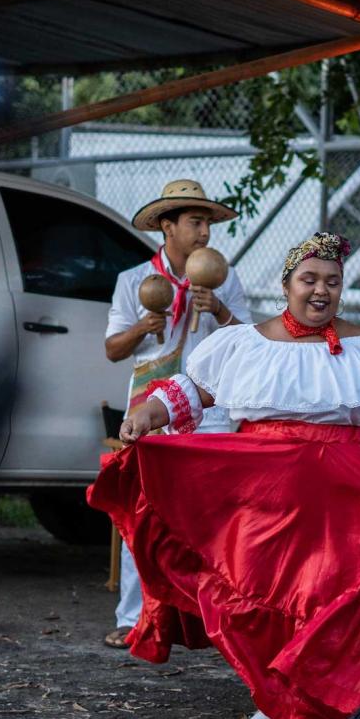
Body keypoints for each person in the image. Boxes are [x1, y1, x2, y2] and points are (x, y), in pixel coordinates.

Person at [88, 232, 360, 719]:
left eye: (332, 282)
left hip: (347, 496)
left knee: (331, 600)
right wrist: (148, 412)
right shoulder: (244, 342)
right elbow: (193, 391)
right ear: (287, 285)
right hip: (259, 494)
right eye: (309, 280)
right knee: (257, 603)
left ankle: (314, 705)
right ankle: (272, 698)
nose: (321, 291)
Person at [101, 179, 251, 648]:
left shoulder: (227, 277)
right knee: (144, 512)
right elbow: (111, 350)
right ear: (167, 226)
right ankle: (133, 619)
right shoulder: (133, 281)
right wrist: (145, 326)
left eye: (207, 222)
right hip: (151, 407)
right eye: (195, 222)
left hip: (214, 406)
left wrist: (223, 312)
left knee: (214, 518)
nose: (205, 232)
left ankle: (212, 620)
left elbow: (253, 346)